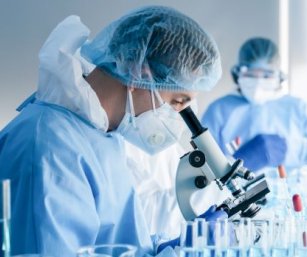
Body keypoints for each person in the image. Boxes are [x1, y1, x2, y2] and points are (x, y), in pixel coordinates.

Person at [0, 6, 227, 257]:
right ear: (139, 73)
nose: (176, 117)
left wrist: (169, 248)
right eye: (177, 101)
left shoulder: (103, 136)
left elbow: (112, 244)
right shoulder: (49, 148)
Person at [201, 37, 307, 173]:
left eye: (267, 75)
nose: (258, 81)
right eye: (251, 74)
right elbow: (203, 170)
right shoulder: (218, 110)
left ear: (279, 76)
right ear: (238, 73)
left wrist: (291, 151)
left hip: (292, 193)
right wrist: (239, 163)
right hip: (235, 193)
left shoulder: (298, 108)